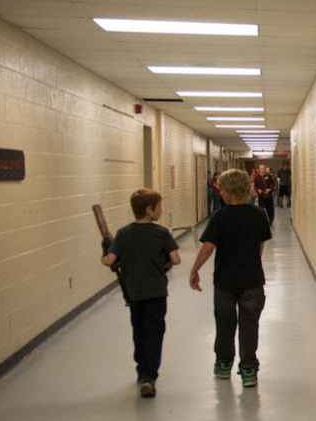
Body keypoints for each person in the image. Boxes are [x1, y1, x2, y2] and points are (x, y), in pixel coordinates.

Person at [188, 169, 271, 388]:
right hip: (252, 280)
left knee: (225, 324)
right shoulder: (259, 214)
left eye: (221, 189)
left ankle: (224, 364)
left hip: (225, 281)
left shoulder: (220, 216)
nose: (220, 192)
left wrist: (195, 269)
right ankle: (249, 370)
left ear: (228, 191)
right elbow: (260, 245)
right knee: (249, 326)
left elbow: (208, 247)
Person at [100, 188, 181, 398]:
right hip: (156, 293)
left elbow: (108, 261)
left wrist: (106, 248)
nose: (161, 211)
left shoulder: (123, 233)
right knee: (155, 332)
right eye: (159, 207)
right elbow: (175, 259)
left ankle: (141, 369)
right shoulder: (162, 233)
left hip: (134, 293)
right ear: (148, 210)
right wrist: (162, 263)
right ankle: (149, 376)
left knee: (139, 330)